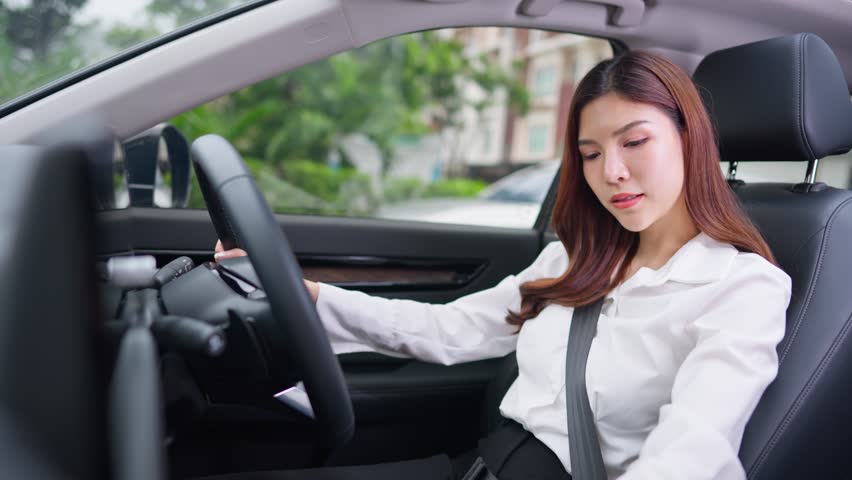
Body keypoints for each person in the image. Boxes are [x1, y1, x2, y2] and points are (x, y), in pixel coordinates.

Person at [211, 50, 792, 480]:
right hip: (480, 464)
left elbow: (693, 450)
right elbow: (453, 329)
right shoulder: (577, 255)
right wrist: (308, 294)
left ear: (691, 139)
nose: (610, 171)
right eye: (590, 154)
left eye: (634, 142)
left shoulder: (743, 288)